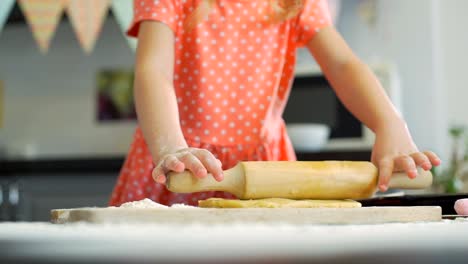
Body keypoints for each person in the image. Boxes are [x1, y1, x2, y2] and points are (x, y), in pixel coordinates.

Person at [109, 0, 441, 206]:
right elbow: (153, 70)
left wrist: (390, 124)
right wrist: (171, 147)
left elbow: (343, 66)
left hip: (266, 169)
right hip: (179, 165)